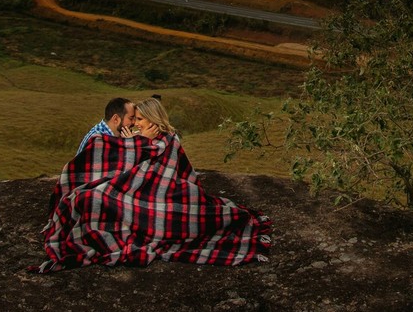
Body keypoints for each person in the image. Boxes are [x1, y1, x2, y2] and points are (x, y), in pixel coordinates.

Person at [36, 96, 272, 272]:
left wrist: (138, 143)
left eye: (139, 119)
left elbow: (162, 171)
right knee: (85, 198)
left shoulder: (167, 140)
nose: (135, 124)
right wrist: (135, 143)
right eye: (134, 119)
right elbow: (125, 167)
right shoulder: (137, 139)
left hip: (159, 194)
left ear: (152, 119)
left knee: (95, 200)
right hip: (134, 189)